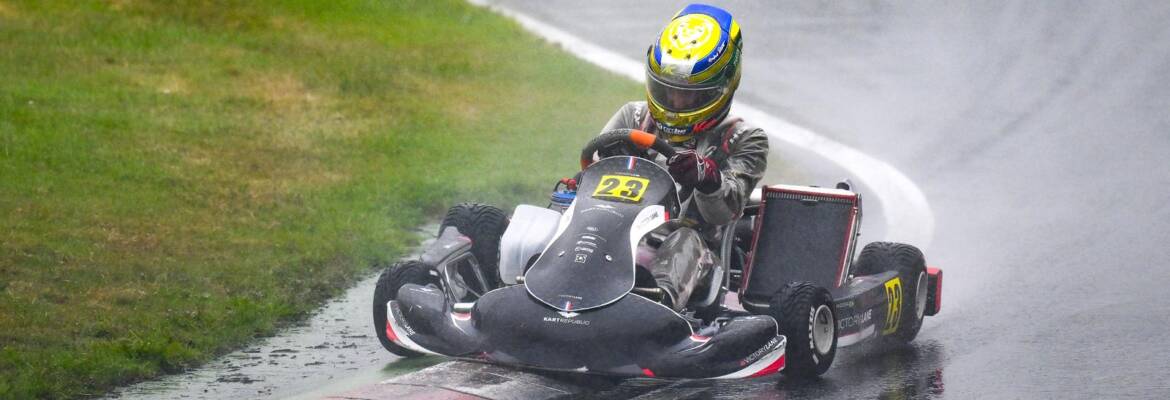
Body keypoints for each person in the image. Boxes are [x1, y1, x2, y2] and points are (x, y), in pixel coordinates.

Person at [597, 3, 769, 311]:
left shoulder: (744, 139)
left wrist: (707, 179)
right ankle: (531, 282)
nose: (675, 101)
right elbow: (588, 178)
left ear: (720, 89)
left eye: (689, 94)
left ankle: (653, 307)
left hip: (693, 255)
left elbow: (724, 214)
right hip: (613, 237)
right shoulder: (633, 116)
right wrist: (610, 159)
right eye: (668, 90)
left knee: (685, 240)